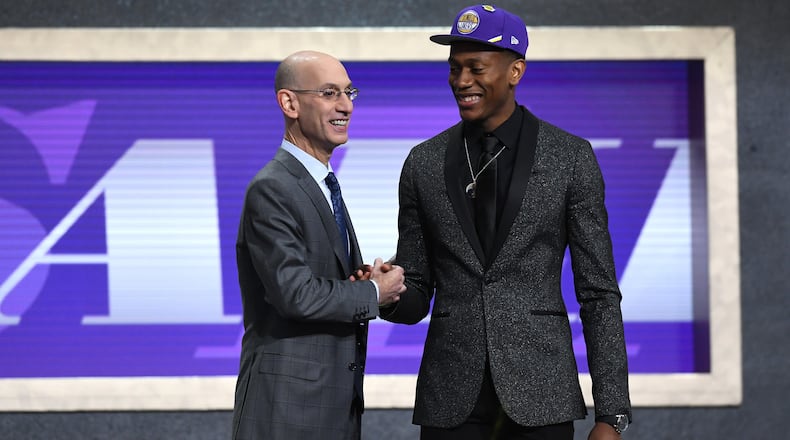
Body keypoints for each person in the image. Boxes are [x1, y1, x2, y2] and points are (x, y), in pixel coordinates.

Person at [379, 5, 632, 439]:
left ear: (515, 71)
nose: (462, 81)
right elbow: (418, 290)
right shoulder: (423, 162)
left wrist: (612, 414)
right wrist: (389, 293)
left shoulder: (570, 158)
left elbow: (598, 292)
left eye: (476, 68)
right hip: (450, 401)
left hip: (542, 397)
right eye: (454, 68)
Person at [232, 50, 406, 440]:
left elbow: (323, 280)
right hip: (288, 410)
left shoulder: (322, 184)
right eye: (329, 93)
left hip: (333, 408)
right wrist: (373, 291)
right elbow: (296, 295)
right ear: (289, 102)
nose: (345, 105)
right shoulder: (273, 188)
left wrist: (364, 279)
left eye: (349, 92)